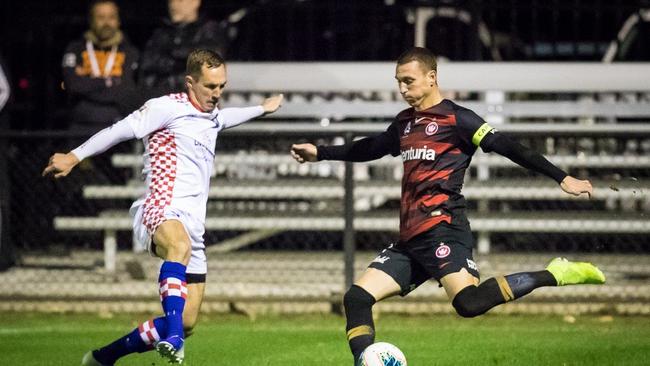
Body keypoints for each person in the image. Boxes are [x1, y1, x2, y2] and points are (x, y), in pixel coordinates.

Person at [290, 47, 606, 365]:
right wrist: (321, 152)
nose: (402, 89)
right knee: (357, 297)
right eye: (398, 82)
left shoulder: (459, 119)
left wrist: (562, 177)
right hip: (411, 239)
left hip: (444, 229)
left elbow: (510, 147)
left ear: (432, 78)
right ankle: (365, 361)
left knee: (468, 304)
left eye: (409, 81)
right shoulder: (404, 124)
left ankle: (553, 273)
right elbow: (371, 147)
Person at [43, 49, 283, 365]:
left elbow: (225, 118)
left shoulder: (212, 116)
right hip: (161, 208)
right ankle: (173, 341)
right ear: (190, 82)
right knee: (177, 247)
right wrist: (74, 156)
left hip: (194, 224)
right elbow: (118, 130)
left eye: (221, 86)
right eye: (210, 86)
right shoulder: (165, 108)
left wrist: (262, 109)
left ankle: (103, 358)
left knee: (186, 320)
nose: (217, 94)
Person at [62, 0, 140, 132]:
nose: (106, 23)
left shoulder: (131, 52)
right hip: (81, 128)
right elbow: (74, 85)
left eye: (111, 17)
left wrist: (91, 82)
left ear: (118, 21)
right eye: (101, 17)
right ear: (91, 21)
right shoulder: (75, 49)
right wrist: (111, 81)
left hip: (118, 128)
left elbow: (128, 91)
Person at [139, 0, 229, 99]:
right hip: (164, 102)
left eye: (180, 1)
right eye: (171, 1)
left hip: (197, 105)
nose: (173, 5)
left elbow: (209, 60)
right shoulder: (161, 34)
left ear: (195, 2)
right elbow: (147, 67)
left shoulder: (209, 30)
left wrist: (175, 54)